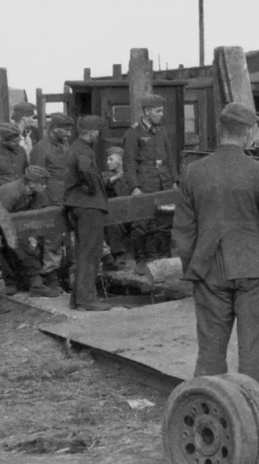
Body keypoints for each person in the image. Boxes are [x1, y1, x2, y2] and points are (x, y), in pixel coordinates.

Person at [172, 102, 259, 388]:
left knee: (210, 352)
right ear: (247, 133)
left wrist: (194, 270)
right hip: (254, 270)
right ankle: (252, 409)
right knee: (253, 351)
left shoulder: (194, 172)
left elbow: (183, 231)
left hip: (209, 272)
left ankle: (211, 407)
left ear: (220, 130)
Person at [123, 94, 178, 275]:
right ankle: (140, 261)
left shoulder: (161, 131)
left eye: (161, 111)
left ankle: (161, 259)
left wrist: (174, 181)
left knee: (163, 223)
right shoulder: (134, 133)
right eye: (158, 111)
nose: (161, 114)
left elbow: (169, 158)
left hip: (163, 183)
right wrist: (134, 186)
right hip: (145, 184)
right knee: (141, 224)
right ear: (147, 111)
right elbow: (129, 162)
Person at [0, 166, 52, 311]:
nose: (45, 187)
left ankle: (34, 284)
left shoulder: (35, 193)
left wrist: (32, 236)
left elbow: (31, 216)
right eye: (42, 184)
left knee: (25, 245)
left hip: (11, 223)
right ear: (32, 183)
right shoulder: (12, 194)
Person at [64, 115, 111, 311]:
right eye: (97, 132)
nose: (98, 135)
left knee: (84, 252)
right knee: (91, 253)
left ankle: (78, 298)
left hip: (78, 205)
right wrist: (92, 188)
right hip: (88, 206)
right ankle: (87, 299)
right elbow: (85, 169)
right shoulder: (85, 150)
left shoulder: (75, 146)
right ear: (91, 132)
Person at [30, 113, 75, 296]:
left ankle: (69, 276)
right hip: (50, 201)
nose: (69, 133)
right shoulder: (40, 149)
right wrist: (45, 205)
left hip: (67, 198)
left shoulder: (65, 144)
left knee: (70, 239)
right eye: (66, 130)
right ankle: (51, 277)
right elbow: (37, 180)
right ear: (54, 128)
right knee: (52, 241)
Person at [103, 146, 129, 270]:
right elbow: (102, 184)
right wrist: (115, 178)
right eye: (107, 159)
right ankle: (119, 254)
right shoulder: (106, 176)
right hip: (114, 212)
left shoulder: (129, 175)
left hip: (130, 209)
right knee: (114, 223)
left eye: (111, 159)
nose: (107, 162)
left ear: (120, 161)